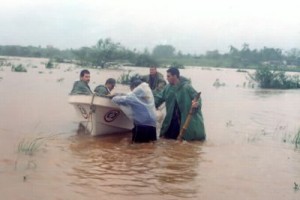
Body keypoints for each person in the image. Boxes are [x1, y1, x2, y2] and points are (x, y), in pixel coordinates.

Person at [154, 67, 206, 141]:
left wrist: (196, 104)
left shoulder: (187, 87)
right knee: (167, 140)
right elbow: (159, 98)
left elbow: (197, 97)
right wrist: (150, 104)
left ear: (175, 76)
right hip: (172, 119)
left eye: (168, 76)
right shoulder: (167, 88)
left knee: (187, 140)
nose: (167, 78)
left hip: (184, 118)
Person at [112, 79, 157, 143]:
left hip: (142, 125)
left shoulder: (133, 97)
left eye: (131, 89)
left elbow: (122, 100)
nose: (131, 91)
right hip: (152, 125)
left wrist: (113, 97)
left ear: (135, 88)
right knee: (150, 145)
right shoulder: (148, 95)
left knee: (136, 146)